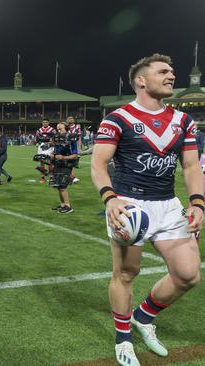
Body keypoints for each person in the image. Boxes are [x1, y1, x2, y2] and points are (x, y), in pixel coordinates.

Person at [91, 54, 203, 366]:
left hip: (169, 205)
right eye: (163, 71)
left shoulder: (184, 121)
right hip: (130, 205)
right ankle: (123, 337)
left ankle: (143, 316)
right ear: (141, 80)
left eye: (172, 72)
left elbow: (192, 166)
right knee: (126, 273)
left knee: (188, 274)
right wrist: (110, 198)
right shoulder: (117, 119)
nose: (171, 76)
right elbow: (98, 163)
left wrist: (197, 203)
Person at [50, 122, 78, 213]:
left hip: (67, 165)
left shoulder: (71, 139)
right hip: (58, 164)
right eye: (57, 129)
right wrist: (53, 155)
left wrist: (63, 157)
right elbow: (56, 151)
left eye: (60, 129)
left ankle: (68, 206)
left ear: (66, 128)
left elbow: (75, 156)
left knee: (63, 186)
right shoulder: (57, 138)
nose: (58, 130)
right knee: (58, 185)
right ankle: (62, 205)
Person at [34, 118, 56, 183]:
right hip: (41, 146)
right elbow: (37, 139)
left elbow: (55, 139)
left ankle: (51, 176)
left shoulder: (52, 130)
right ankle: (42, 177)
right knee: (42, 161)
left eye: (46, 122)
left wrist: (50, 143)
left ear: (48, 123)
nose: (45, 123)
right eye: (43, 122)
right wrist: (37, 143)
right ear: (42, 123)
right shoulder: (39, 130)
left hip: (49, 146)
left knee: (50, 161)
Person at [68, 116, 82, 183]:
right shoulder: (65, 127)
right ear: (67, 120)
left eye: (72, 118)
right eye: (69, 119)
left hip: (74, 144)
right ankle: (71, 176)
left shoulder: (77, 127)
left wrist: (80, 146)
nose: (71, 119)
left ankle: (71, 176)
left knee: (74, 160)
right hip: (67, 145)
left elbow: (79, 137)